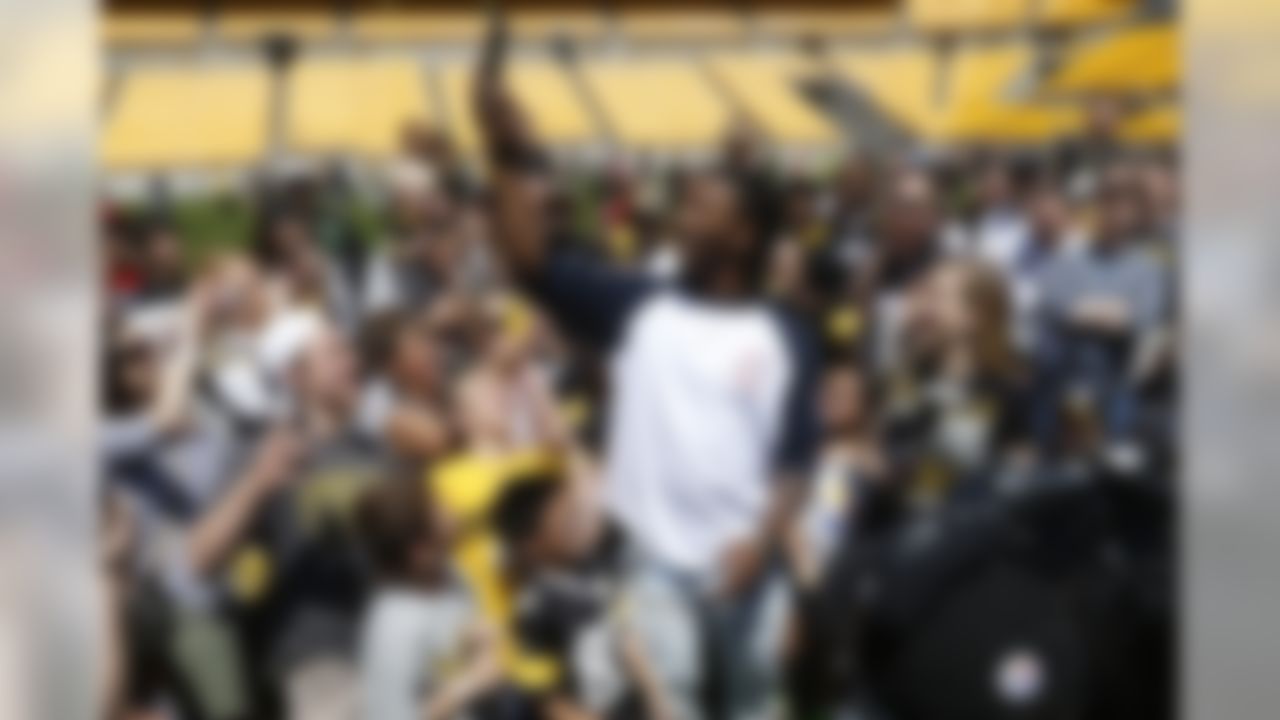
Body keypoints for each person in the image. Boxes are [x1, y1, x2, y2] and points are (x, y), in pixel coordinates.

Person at [473, 10, 818, 719]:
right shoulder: (640, 306)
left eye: (701, 205)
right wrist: (505, 153)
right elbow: (529, 262)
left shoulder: (788, 333)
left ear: (745, 233)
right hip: (653, 566)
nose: (681, 213)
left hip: (745, 565)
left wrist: (761, 544)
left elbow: (797, 462)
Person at [356, 476, 502, 720]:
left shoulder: (452, 575)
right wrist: (468, 685)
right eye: (438, 507)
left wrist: (481, 647)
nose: (451, 509)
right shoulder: (394, 627)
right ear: (419, 551)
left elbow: (454, 660)